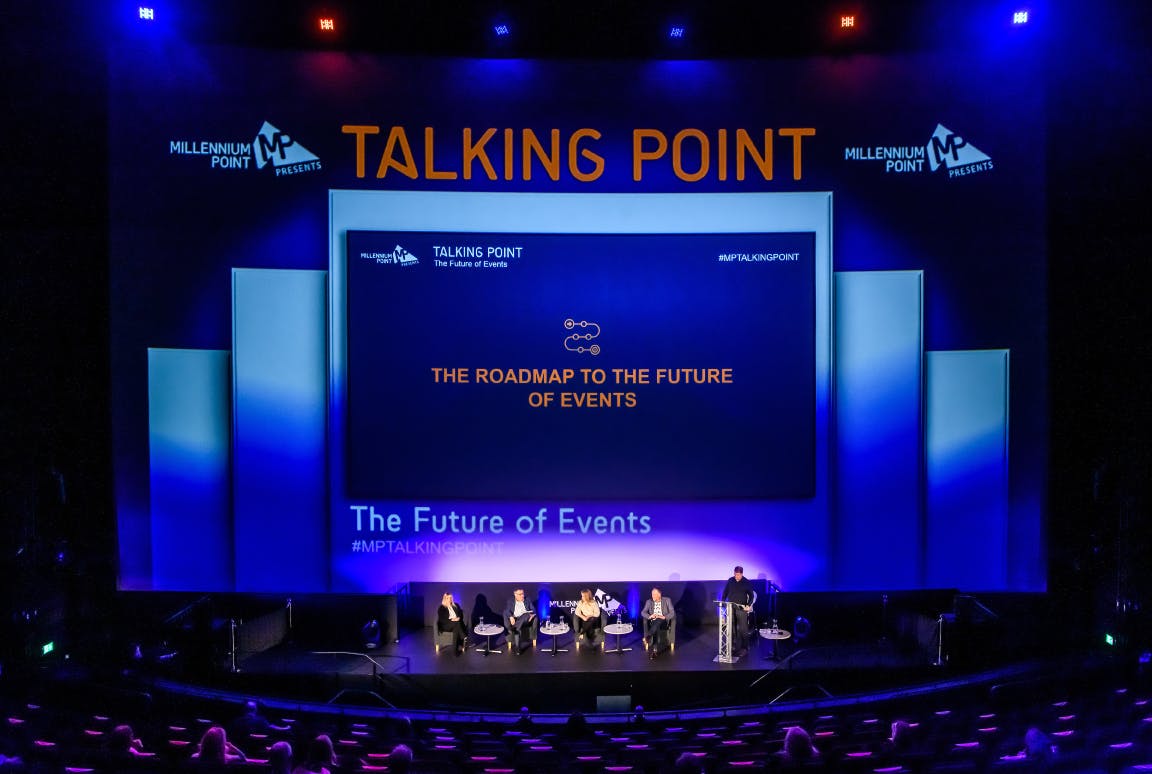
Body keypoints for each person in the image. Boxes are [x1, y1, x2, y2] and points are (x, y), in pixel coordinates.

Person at [721, 565, 755, 651]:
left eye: (739, 575)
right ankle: (733, 644)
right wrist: (723, 601)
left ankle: (745, 647)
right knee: (731, 627)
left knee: (743, 628)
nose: (737, 576)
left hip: (741, 608)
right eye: (736, 574)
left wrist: (748, 604)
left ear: (742, 574)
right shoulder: (730, 580)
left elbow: (751, 595)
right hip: (731, 607)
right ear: (734, 573)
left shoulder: (746, 582)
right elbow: (725, 592)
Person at [641, 587, 675, 658]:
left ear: (659, 594)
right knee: (655, 624)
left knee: (658, 621)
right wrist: (650, 616)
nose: (652, 596)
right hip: (653, 622)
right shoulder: (649, 601)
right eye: (652, 594)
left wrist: (664, 617)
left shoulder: (667, 600)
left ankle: (650, 641)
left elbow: (672, 613)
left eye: (654, 594)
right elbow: (643, 612)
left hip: (664, 623)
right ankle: (654, 651)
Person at [503, 588, 537, 654]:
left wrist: (532, 615)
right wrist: (510, 617)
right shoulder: (510, 601)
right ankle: (518, 647)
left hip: (526, 620)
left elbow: (534, 610)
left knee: (525, 614)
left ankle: (513, 629)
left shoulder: (527, 600)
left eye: (523, 594)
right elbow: (507, 610)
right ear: (515, 594)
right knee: (505, 612)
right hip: (515, 619)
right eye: (520, 594)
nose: (522, 596)